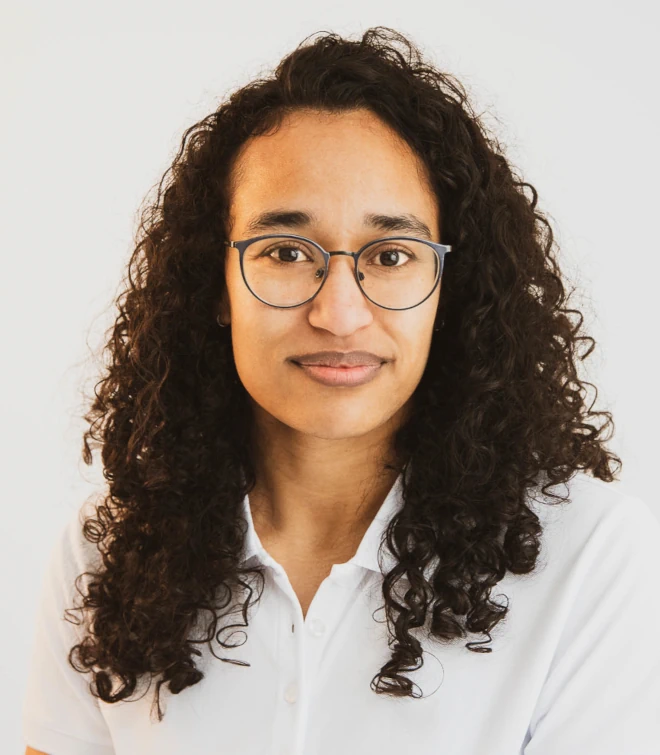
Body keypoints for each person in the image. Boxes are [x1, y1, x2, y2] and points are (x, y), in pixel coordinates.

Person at [22, 26, 660, 755]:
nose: (339, 312)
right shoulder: (107, 549)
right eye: (287, 252)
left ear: (448, 288)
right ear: (216, 284)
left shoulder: (592, 560)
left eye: (391, 255)